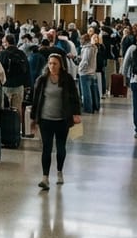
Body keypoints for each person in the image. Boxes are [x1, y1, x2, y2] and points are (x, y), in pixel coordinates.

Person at [28, 54, 81, 190]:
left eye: (55, 64)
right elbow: (36, 100)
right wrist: (33, 118)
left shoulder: (67, 79)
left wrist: (76, 114)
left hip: (62, 119)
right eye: (50, 63)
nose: (52, 66)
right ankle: (45, 177)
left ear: (60, 65)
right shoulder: (42, 80)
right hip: (45, 119)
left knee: (60, 147)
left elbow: (75, 97)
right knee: (46, 147)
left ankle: (59, 172)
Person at [77, 34, 99, 114]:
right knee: (93, 91)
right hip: (92, 71)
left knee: (86, 92)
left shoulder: (87, 48)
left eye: (81, 39)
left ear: (84, 40)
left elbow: (85, 61)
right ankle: (95, 106)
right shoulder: (93, 48)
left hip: (85, 72)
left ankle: (88, 108)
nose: (80, 41)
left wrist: (80, 69)